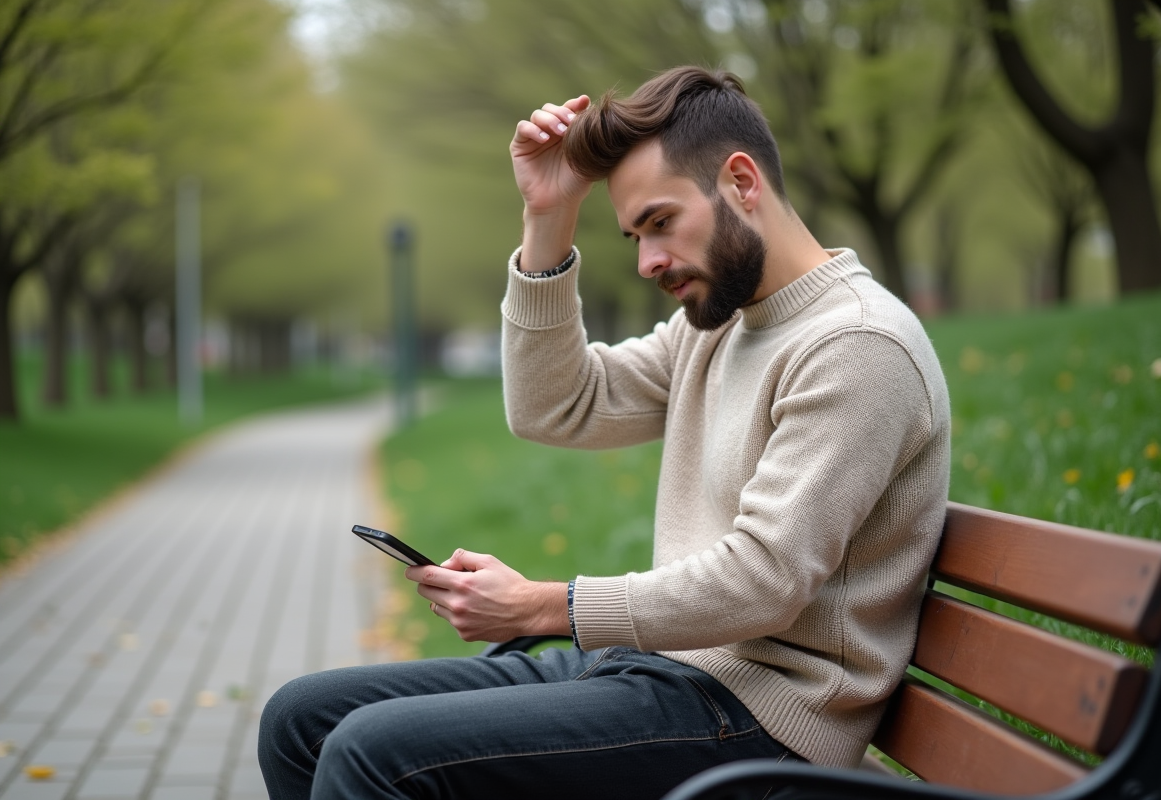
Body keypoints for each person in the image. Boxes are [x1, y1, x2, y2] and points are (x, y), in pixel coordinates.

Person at [258, 66, 950, 800]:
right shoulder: (717, 329)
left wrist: (540, 606)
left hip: (762, 722)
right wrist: (548, 216)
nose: (648, 261)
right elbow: (555, 406)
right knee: (301, 718)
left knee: (376, 752)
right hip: (668, 674)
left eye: (660, 223)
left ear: (742, 182)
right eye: (633, 236)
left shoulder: (857, 345)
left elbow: (765, 580)